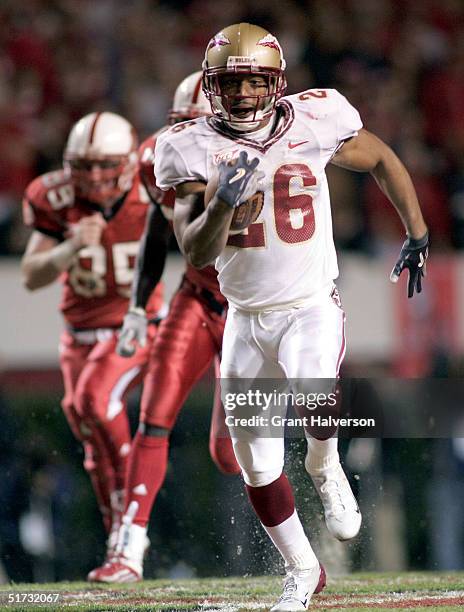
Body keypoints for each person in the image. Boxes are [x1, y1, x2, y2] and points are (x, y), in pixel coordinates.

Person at [153, 23, 429, 612]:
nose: (246, 95)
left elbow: (378, 155)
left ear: (276, 82)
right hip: (246, 319)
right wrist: (223, 203)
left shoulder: (316, 117)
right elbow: (196, 252)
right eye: (233, 83)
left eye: (256, 82)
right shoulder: (187, 147)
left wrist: (418, 229)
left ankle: (326, 464)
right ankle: (304, 571)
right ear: (211, 86)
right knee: (256, 464)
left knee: (315, 392)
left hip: (308, 304)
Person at [87, 71, 240, 584]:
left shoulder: (263, 152)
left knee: (230, 454)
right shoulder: (160, 156)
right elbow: (159, 225)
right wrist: (136, 306)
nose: (184, 139)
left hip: (254, 310)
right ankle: (129, 551)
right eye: (180, 126)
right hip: (197, 299)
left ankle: (299, 552)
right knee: (153, 417)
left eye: (195, 127)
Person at [21, 111, 164, 568]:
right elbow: (31, 275)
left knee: (97, 399)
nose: (95, 176)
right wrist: (69, 248)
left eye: (105, 164)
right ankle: (119, 544)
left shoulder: (153, 185)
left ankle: (131, 529)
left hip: (135, 323)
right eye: (84, 165)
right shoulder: (54, 196)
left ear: (126, 160)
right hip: (78, 335)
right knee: (89, 436)